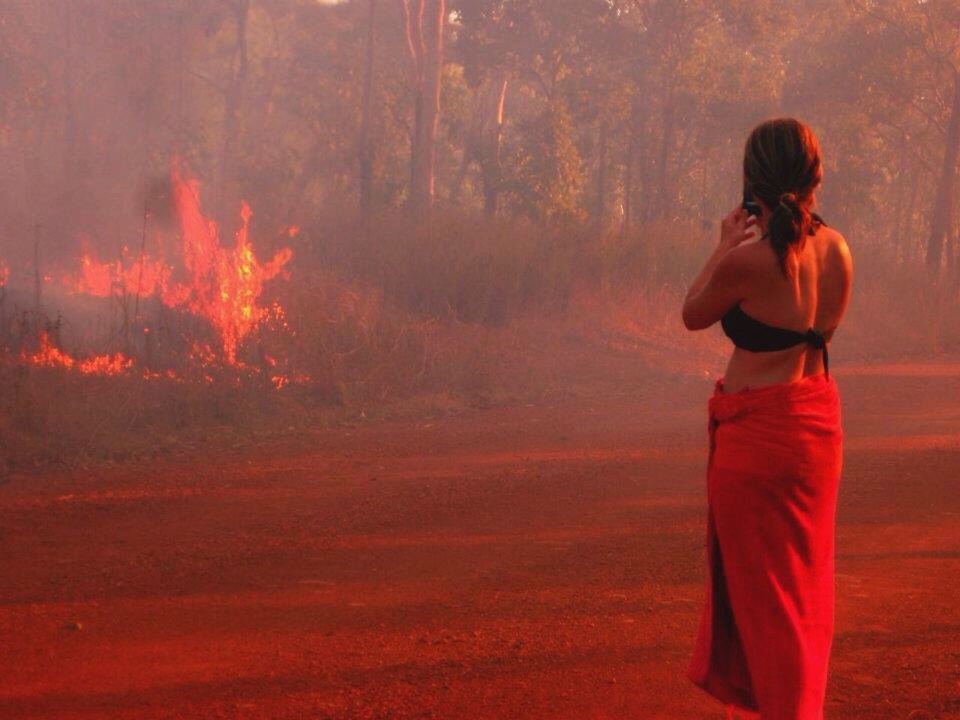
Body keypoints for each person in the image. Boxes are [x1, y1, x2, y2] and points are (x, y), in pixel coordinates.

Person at [681, 118, 853, 719]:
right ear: (813, 177)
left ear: (752, 181)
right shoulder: (838, 251)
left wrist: (722, 244)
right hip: (814, 435)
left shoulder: (748, 261)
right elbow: (822, 332)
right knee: (803, 598)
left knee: (761, 604)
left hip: (756, 444)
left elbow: (692, 313)